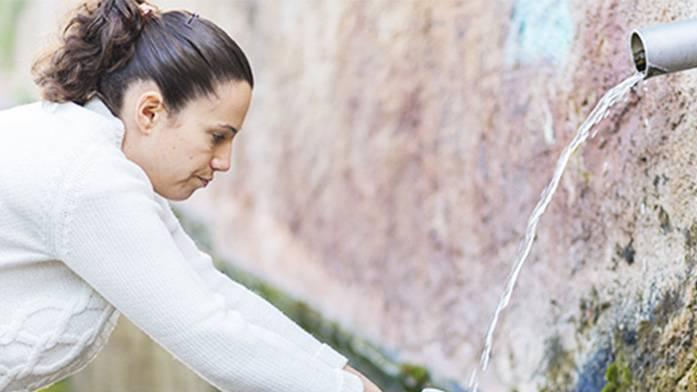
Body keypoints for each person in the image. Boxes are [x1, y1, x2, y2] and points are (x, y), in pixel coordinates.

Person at [0, 1, 383, 391]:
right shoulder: (89, 178)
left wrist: (342, 375)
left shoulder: (83, 147)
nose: (224, 162)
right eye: (217, 136)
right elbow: (205, 333)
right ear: (150, 111)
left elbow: (212, 292)